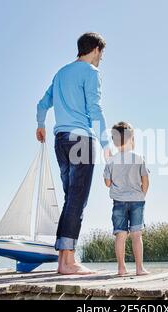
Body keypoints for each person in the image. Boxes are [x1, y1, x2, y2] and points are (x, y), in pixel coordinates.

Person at [36, 32, 111, 275]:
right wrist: (105, 143)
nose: (101, 59)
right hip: (81, 139)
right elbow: (94, 108)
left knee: (71, 199)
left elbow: (42, 104)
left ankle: (63, 261)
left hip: (61, 140)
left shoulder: (60, 74)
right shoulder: (91, 73)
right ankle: (68, 263)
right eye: (102, 54)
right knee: (77, 200)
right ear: (96, 50)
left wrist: (40, 124)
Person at [103, 122, 150, 276]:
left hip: (118, 202)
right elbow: (145, 180)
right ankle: (139, 269)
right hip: (137, 200)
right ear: (132, 139)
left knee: (120, 235)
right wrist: (142, 194)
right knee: (137, 235)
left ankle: (121, 269)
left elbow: (107, 183)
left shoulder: (111, 160)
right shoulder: (139, 158)